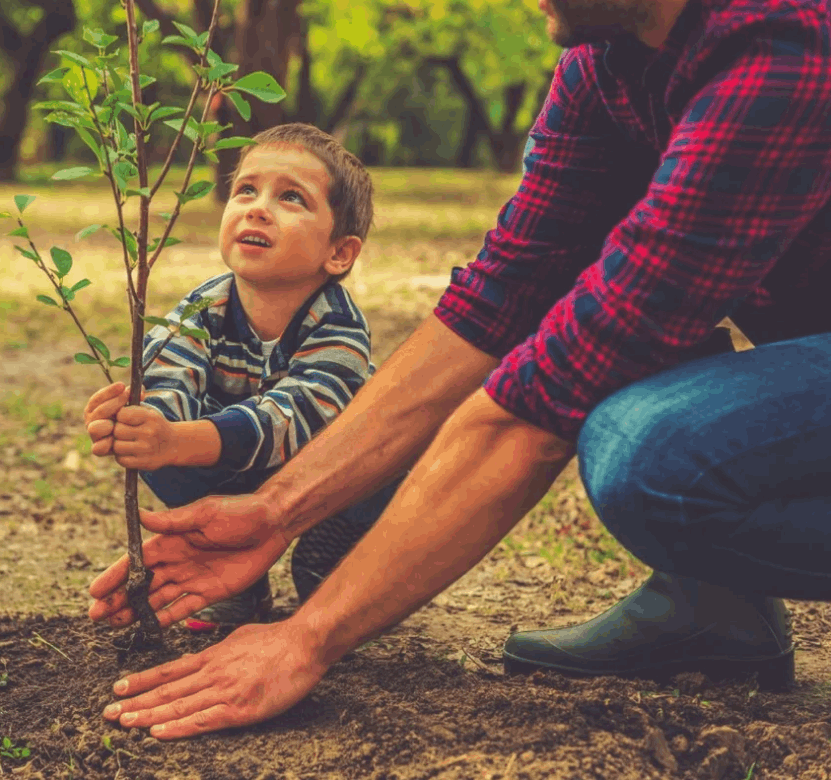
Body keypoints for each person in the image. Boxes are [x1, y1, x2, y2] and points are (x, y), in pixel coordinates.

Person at [87, 0, 831, 740]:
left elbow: (545, 398)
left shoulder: (784, 43)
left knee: (650, 454)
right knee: (630, 336)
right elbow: (500, 297)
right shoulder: (603, 63)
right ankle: (716, 607)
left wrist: (306, 635)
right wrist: (275, 510)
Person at [83, 122, 403, 632]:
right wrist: (143, 424)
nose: (257, 207)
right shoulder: (202, 307)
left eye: (291, 198)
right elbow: (169, 375)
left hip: (326, 476)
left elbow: (293, 418)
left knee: (390, 459)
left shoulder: (339, 326)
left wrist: (183, 438)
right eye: (246, 190)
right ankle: (238, 580)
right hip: (233, 466)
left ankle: (339, 555)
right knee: (161, 454)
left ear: (339, 252)